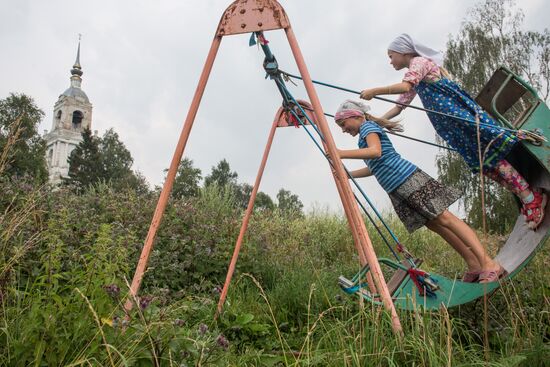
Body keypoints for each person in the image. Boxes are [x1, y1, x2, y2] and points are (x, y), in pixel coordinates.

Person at [359, 33, 547, 230]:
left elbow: (405, 85)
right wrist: (376, 123)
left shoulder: (419, 62)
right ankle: (526, 196)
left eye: (391, 56)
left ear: (404, 51)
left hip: (461, 118)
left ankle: (530, 196)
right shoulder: (416, 77)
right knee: (483, 164)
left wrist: (375, 91)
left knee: (491, 155)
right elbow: (399, 106)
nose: (390, 61)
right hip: (452, 127)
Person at [333, 99, 503, 283]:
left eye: (343, 124)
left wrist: (340, 153)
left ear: (356, 116)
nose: (343, 129)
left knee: (445, 218)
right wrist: (349, 175)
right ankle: (473, 264)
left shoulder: (368, 127)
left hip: (408, 179)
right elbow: (374, 167)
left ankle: (488, 263)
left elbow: (375, 151)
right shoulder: (361, 138)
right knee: (435, 224)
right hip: (397, 189)